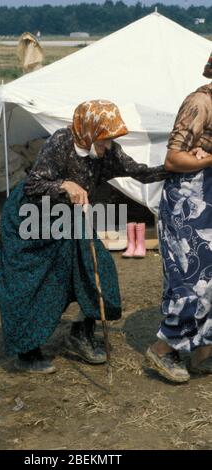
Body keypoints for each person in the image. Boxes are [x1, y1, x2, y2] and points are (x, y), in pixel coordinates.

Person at [0, 100, 170, 374]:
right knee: (32, 283)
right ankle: (27, 351)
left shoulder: (108, 153)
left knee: (98, 270)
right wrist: (65, 184)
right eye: (103, 141)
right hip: (31, 218)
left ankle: (81, 333)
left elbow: (141, 172)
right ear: (88, 133)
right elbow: (34, 185)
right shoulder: (61, 143)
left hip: (70, 218)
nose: (108, 147)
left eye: (110, 140)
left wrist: (176, 167)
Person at [146, 57, 212, 383]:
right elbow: (173, 158)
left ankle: (203, 350)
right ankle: (163, 348)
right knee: (191, 279)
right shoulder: (200, 102)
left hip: (209, 199)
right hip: (188, 202)